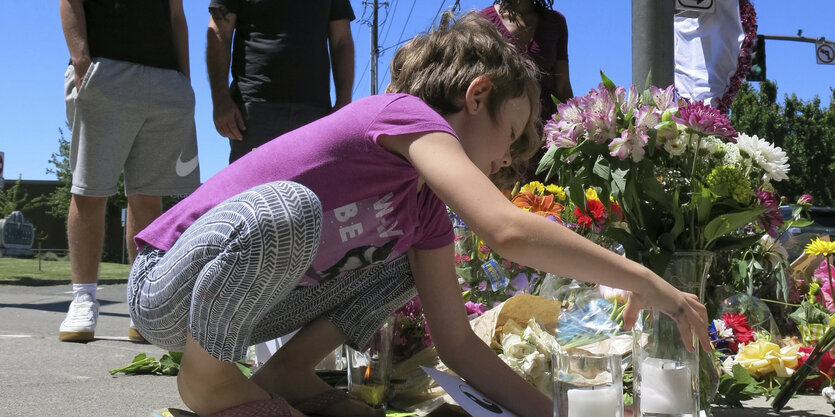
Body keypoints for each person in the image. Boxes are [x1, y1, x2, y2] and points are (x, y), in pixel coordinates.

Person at [128, 12, 710, 417]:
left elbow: (456, 343)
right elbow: (505, 228)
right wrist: (646, 280)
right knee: (291, 210)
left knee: (406, 266)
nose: (503, 161)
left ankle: (285, 374)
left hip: (247, 311)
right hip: (168, 287)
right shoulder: (405, 114)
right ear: (476, 95)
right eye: (508, 136)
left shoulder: (423, 208)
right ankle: (208, 380)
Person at [58, 0, 200, 343]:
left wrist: (185, 80)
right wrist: (81, 61)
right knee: (89, 190)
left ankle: (143, 307)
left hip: (166, 80)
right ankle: (83, 299)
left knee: (149, 197)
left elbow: (176, 14)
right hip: (106, 72)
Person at [207, 1, 356, 163]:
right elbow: (218, 31)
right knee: (253, 188)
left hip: (315, 113)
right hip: (253, 110)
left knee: (312, 188)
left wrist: (344, 102)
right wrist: (220, 100)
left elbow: (341, 40)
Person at [480, 0, 573, 182]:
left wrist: (573, 131)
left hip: (546, 140)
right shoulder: (483, 21)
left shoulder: (555, 22)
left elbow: (563, 87)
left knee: (547, 204)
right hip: (501, 138)